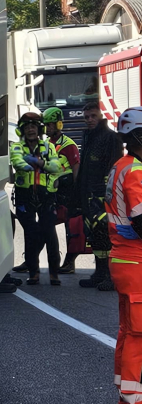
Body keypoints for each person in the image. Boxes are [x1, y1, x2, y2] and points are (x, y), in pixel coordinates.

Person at [103, 106, 142, 404]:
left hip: (124, 260)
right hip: (136, 261)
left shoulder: (121, 166)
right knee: (138, 339)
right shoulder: (135, 171)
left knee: (129, 334)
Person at [10, 111, 64, 285]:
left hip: (46, 196)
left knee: (49, 233)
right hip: (24, 196)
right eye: (27, 127)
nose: (31, 130)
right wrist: (29, 164)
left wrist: (40, 163)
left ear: (39, 129)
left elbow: (56, 167)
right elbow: (17, 162)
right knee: (30, 234)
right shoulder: (17, 147)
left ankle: (54, 273)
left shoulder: (48, 147)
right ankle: (34, 272)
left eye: (34, 126)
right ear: (22, 130)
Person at [77, 100, 124, 291]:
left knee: (106, 236)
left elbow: (115, 167)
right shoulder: (88, 136)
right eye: (86, 117)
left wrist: (106, 194)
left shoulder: (110, 137)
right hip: (89, 194)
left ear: (101, 115)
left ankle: (111, 277)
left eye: (93, 116)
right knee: (95, 236)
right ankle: (99, 273)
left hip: (103, 195)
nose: (89, 120)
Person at [42, 107, 81, 273]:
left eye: (50, 125)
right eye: (45, 125)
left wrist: (76, 191)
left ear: (58, 124)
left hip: (67, 192)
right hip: (51, 192)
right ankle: (36, 259)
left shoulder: (68, 145)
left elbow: (76, 168)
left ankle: (69, 263)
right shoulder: (46, 144)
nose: (47, 128)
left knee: (70, 228)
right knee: (46, 225)